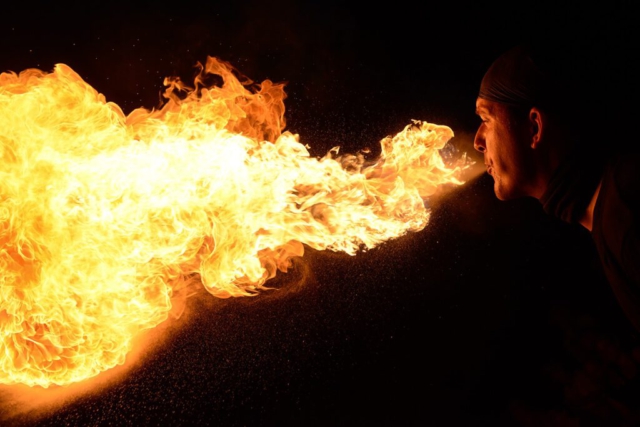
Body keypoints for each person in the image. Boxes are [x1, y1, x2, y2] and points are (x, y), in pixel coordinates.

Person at [472, 42, 640, 333]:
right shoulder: (610, 212)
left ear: (534, 128)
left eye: (486, 118)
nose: (477, 141)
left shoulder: (628, 205)